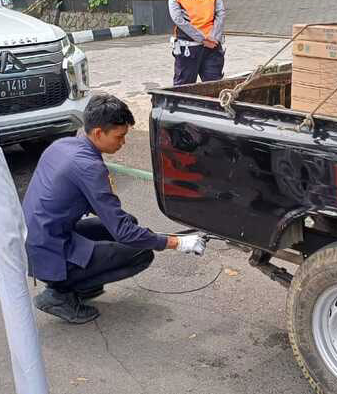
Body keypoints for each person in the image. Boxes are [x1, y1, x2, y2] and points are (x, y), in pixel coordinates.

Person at [22, 94, 207, 324]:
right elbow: (125, 233)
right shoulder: (89, 167)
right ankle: (59, 293)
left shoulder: (62, 146)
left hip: (40, 236)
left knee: (130, 224)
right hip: (49, 250)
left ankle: (73, 282)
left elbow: (108, 215)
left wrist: (130, 226)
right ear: (98, 133)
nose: (123, 143)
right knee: (141, 252)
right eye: (119, 137)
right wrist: (177, 243)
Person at [168, 0, 226, 86]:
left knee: (184, 90)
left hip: (189, 49)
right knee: (214, 88)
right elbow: (221, 13)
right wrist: (213, 37)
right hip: (213, 47)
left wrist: (202, 39)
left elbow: (178, 20)